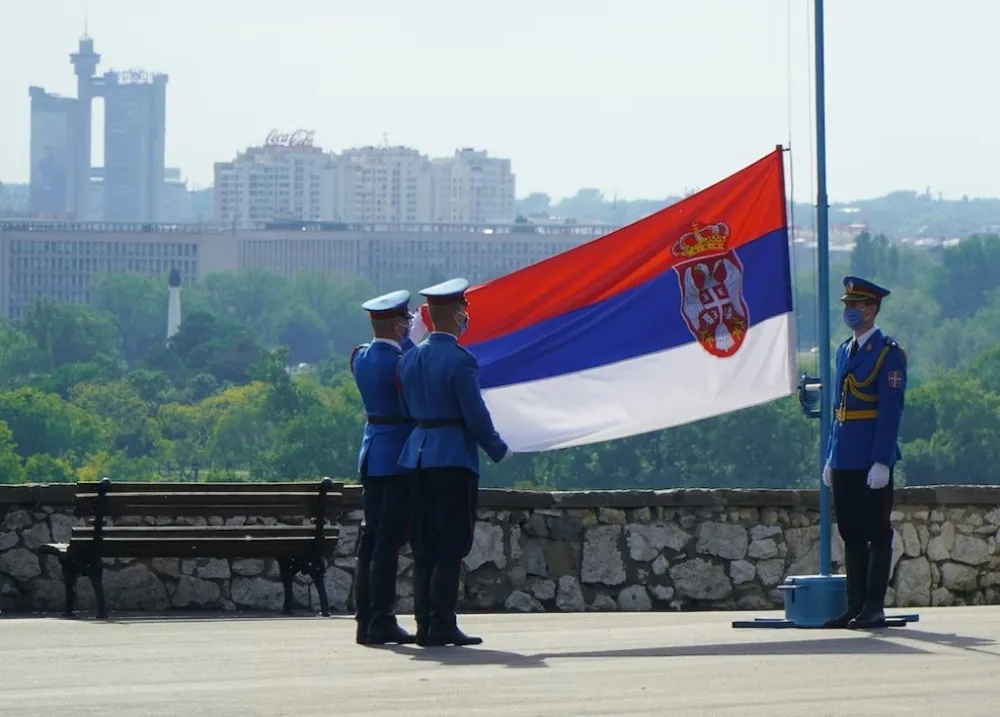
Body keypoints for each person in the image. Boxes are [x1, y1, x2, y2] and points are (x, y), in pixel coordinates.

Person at [395, 277, 510, 647]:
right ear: (457, 313)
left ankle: (424, 622)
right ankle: (442, 621)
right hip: (452, 458)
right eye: (463, 310)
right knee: (452, 540)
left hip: (416, 455)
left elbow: (404, 408)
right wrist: (497, 448)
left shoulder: (409, 357)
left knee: (424, 542)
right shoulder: (461, 360)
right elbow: (475, 415)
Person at [822, 276, 907, 629]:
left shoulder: (888, 354)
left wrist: (882, 461)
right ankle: (853, 606)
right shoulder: (845, 350)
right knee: (851, 534)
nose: (849, 312)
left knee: (877, 532)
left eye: (855, 306)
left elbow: (890, 411)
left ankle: (874, 607)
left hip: (871, 457)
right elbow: (838, 409)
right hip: (845, 456)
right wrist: (830, 455)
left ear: (872, 309)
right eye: (846, 306)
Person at [349, 289, 418, 646]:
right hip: (396, 457)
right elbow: (411, 395)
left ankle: (365, 618)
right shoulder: (402, 360)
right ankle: (382, 618)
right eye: (405, 320)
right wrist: (411, 343)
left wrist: (405, 340)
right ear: (396, 324)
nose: (409, 325)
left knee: (372, 540)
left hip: (372, 453)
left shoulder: (360, 357)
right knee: (387, 544)